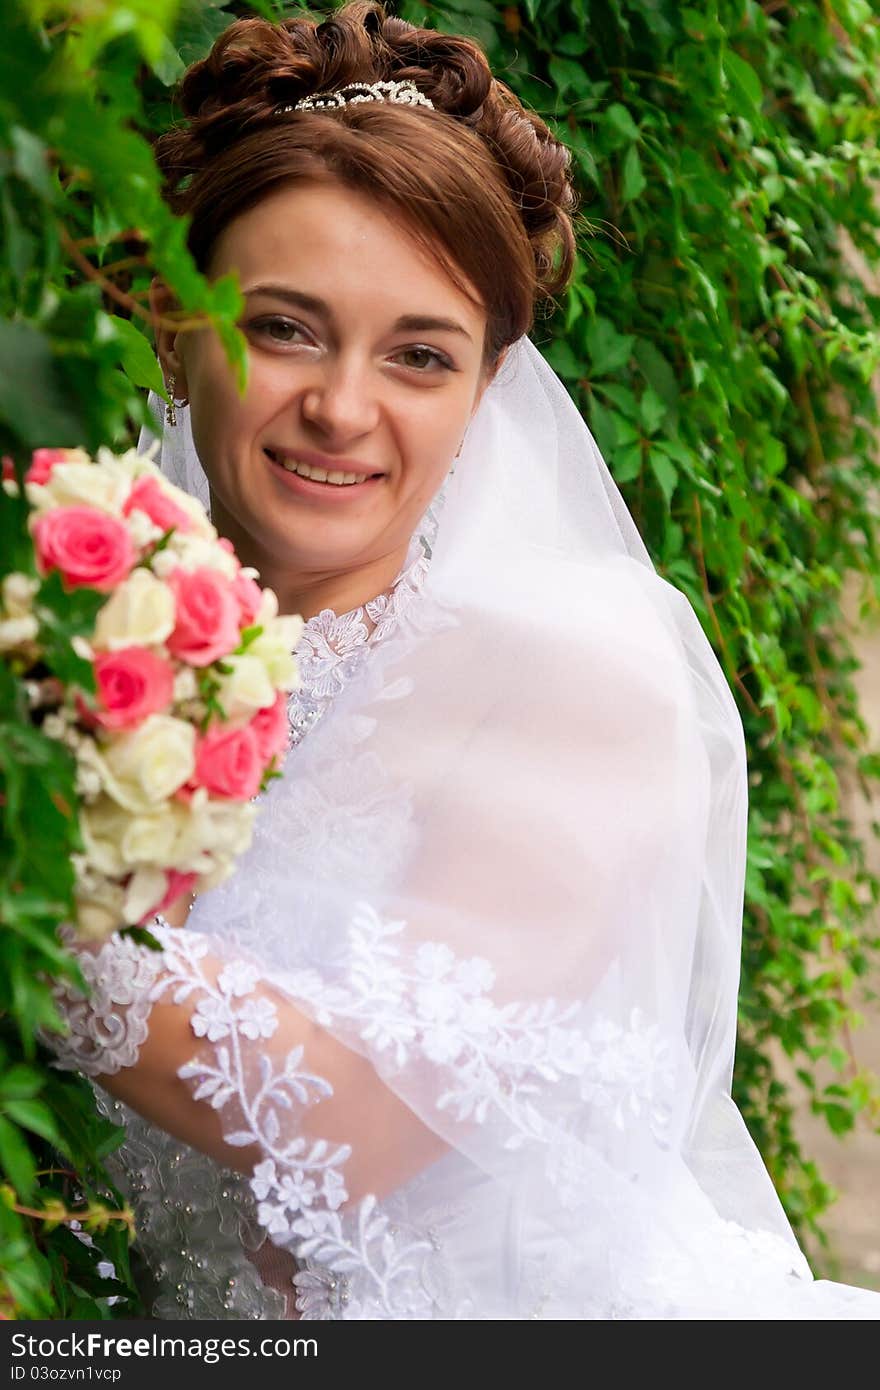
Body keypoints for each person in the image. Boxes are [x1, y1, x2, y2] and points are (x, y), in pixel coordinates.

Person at [47, 2, 880, 1319]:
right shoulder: (72, 618)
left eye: (420, 355)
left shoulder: (575, 669)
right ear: (171, 317)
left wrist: (24, 913)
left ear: (486, 386)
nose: (343, 404)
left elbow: (362, 1117)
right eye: (286, 327)